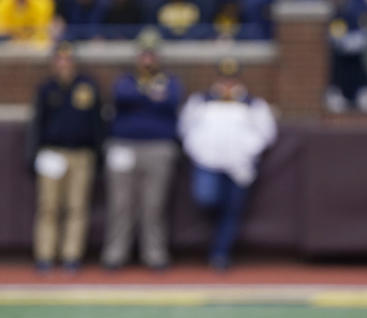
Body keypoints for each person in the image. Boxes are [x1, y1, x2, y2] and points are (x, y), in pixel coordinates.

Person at [178, 57, 278, 270]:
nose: (227, 84)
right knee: (207, 199)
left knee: (232, 211)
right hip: (207, 164)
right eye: (224, 78)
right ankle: (213, 241)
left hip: (239, 167)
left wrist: (247, 151)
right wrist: (199, 151)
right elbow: (185, 129)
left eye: (231, 79)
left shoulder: (253, 104)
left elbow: (267, 134)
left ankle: (220, 254)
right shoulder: (201, 101)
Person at [101, 27, 182, 271]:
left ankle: (154, 254)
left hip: (158, 148)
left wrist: (144, 96)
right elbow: (122, 97)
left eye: (152, 54)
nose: (148, 59)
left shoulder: (170, 81)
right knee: (121, 204)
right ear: (137, 56)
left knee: (153, 206)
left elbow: (170, 100)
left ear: (159, 57)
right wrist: (149, 95)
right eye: (144, 54)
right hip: (123, 146)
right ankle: (115, 254)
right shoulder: (125, 79)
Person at [27, 41, 104, 273]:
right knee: (48, 207)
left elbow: (97, 123)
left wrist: (98, 154)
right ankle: (45, 256)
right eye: (59, 60)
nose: (64, 64)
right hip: (52, 153)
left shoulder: (87, 86)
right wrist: (33, 155)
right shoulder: (46, 88)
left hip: (81, 154)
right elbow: (36, 124)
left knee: (77, 206)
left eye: (67, 59)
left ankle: (72, 256)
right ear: (53, 63)